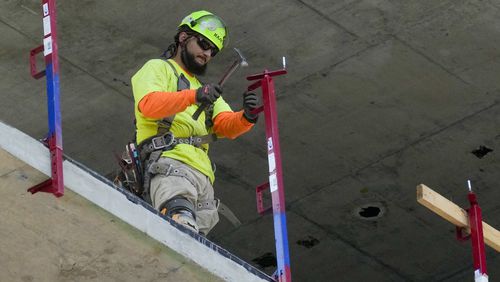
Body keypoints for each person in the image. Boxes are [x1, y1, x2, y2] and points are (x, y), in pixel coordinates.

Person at [130, 10, 258, 235]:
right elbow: (149, 105)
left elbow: (226, 125)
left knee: (192, 249)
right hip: (171, 167)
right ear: (183, 37)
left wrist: (246, 117)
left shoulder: (204, 91)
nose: (207, 53)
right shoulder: (159, 68)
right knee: (180, 227)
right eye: (203, 43)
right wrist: (194, 96)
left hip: (203, 181)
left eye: (212, 51)